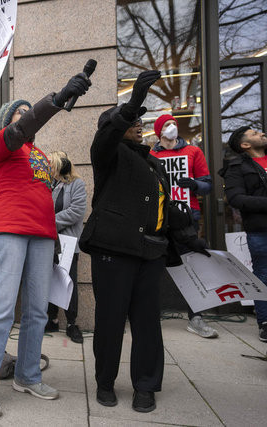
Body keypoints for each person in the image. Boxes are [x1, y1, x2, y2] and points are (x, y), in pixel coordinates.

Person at [79, 70, 208, 413]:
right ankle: (105, 382)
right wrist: (132, 101)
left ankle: (146, 386)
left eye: (140, 119)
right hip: (114, 252)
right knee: (109, 321)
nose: (139, 123)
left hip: (151, 253)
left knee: (148, 323)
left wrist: (189, 239)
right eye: (132, 119)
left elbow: (166, 209)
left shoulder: (154, 163)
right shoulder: (108, 155)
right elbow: (107, 136)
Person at [0, 72, 91, 418]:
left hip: (42, 234)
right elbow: (20, 128)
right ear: (9, 121)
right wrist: (55, 99)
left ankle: (27, 374)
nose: (26, 115)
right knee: (1, 308)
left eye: (29, 110)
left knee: (37, 309)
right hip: (8, 229)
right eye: (20, 112)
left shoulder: (38, 154)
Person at [150, 114, 218, 338]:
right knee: (153, 267)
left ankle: (196, 317)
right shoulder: (151, 155)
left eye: (174, 124)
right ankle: (150, 314)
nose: (172, 127)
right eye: (167, 125)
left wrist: (195, 184)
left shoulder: (193, 152)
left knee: (191, 267)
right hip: (160, 218)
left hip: (187, 217)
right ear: (159, 130)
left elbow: (207, 185)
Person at [218, 126, 267, 342]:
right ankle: (265, 322)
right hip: (260, 230)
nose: (262, 133)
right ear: (245, 145)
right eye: (255, 133)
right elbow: (236, 199)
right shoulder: (236, 167)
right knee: (263, 276)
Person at [46, 151, 86, 343]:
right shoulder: (48, 185)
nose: (51, 169)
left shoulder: (76, 184)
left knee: (68, 282)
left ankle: (71, 324)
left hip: (67, 242)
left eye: (53, 165)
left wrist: (48, 222)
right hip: (48, 242)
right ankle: (51, 319)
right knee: (49, 281)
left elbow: (76, 211)